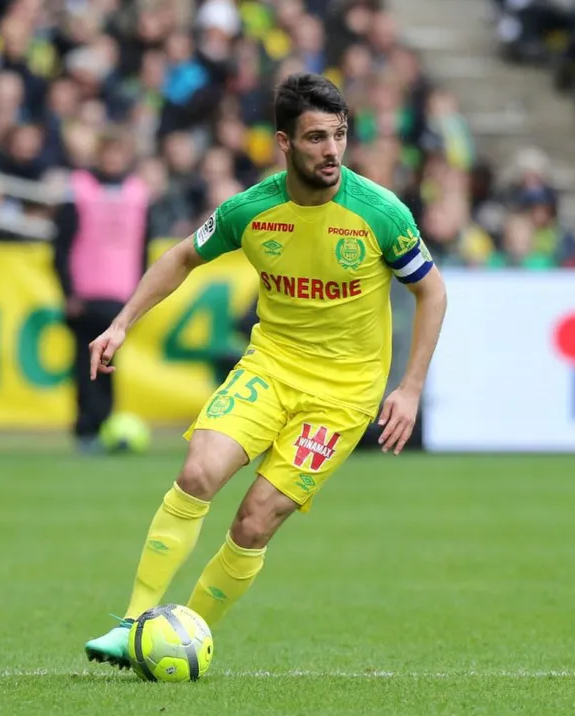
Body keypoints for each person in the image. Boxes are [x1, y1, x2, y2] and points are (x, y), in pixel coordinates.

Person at [82, 73, 448, 667]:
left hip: (342, 397)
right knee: (198, 472)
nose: (331, 151)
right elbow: (179, 258)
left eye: (339, 136)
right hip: (271, 367)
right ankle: (132, 625)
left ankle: (189, 632)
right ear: (284, 143)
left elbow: (432, 293)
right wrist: (123, 323)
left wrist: (408, 389)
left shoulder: (380, 213)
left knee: (253, 523)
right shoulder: (251, 210)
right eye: (315, 138)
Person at [51, 128, 150, 454]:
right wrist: (69, 291)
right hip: (86, 293)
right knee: (85, 364)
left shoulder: (137, 192)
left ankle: (103, 425)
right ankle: (86, 429)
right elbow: (61, 246)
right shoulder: (79, 188)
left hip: (120, 296)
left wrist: (140, 296)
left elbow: (144, 248)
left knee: (109, 364)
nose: (113, 160)